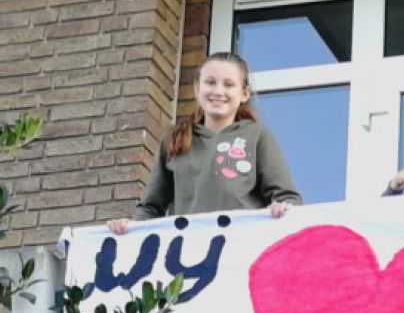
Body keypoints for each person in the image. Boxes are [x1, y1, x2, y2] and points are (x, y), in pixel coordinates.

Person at [108, 52, 300, 233]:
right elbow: (151, 207)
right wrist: (128, 229)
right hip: (188, 250)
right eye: (210, 82)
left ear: (244, 93)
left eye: (228, 84)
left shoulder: (256, 135)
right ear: (197, 89)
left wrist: (283, 208)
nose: (218, 91)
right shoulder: (174, 141)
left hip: (241, 248)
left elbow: (286, 198)